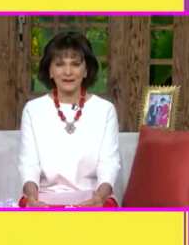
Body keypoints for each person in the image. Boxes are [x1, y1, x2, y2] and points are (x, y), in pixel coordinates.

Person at [18, 31, 120, 208]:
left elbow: (109, 164)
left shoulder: (105, 110)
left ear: (86, 70)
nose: (67, 72)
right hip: (44, 198)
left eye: (75, 64)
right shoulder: (33, 110)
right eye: (59, 64)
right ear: (50, 70)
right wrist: (33, 199)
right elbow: (29, 164)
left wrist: (99, 198)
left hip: (93, 198)